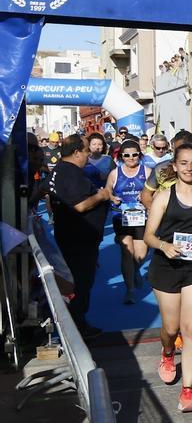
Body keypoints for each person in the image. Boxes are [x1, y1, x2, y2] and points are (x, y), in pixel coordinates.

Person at [143, 143, 192, 413]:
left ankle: (188, 392)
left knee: (191, 329)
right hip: (166, 267)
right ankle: (167, 353)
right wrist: (164, 246)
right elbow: (148, 236)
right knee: (172, 329)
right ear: (174, 166)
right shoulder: (164, 197)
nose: (189, 168)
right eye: (184, 163)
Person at [47, 135, 114, 338]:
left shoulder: (59, 170)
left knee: (78, 281)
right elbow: (80, 205)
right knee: (80, 283)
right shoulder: (72, 174)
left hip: (72, 236)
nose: (87, 155)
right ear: (76, 152)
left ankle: (77, 323)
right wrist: (102, 195)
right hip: (78, 240)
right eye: (86, 151)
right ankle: (77, 327)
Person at [106, 139, 151, 304]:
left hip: (142, 217)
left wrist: (146, 196)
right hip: (121, 216)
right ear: (121, 157)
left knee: (141, 253)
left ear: (140, 155)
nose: (131, 158)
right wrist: (113, 197)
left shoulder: (146, 171)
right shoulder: (115, 173)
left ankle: (135, 271)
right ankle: (130, 290)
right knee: (127, 253)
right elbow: (107, 191)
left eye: (135, 154)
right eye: (127, 155)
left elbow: (157, 191)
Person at [140, 130, 192, 209]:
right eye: (180, 150)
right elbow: (145, 195)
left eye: (187, 149)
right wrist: (157, 212)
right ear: (173, 147)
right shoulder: (160, 167)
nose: (183, 153)